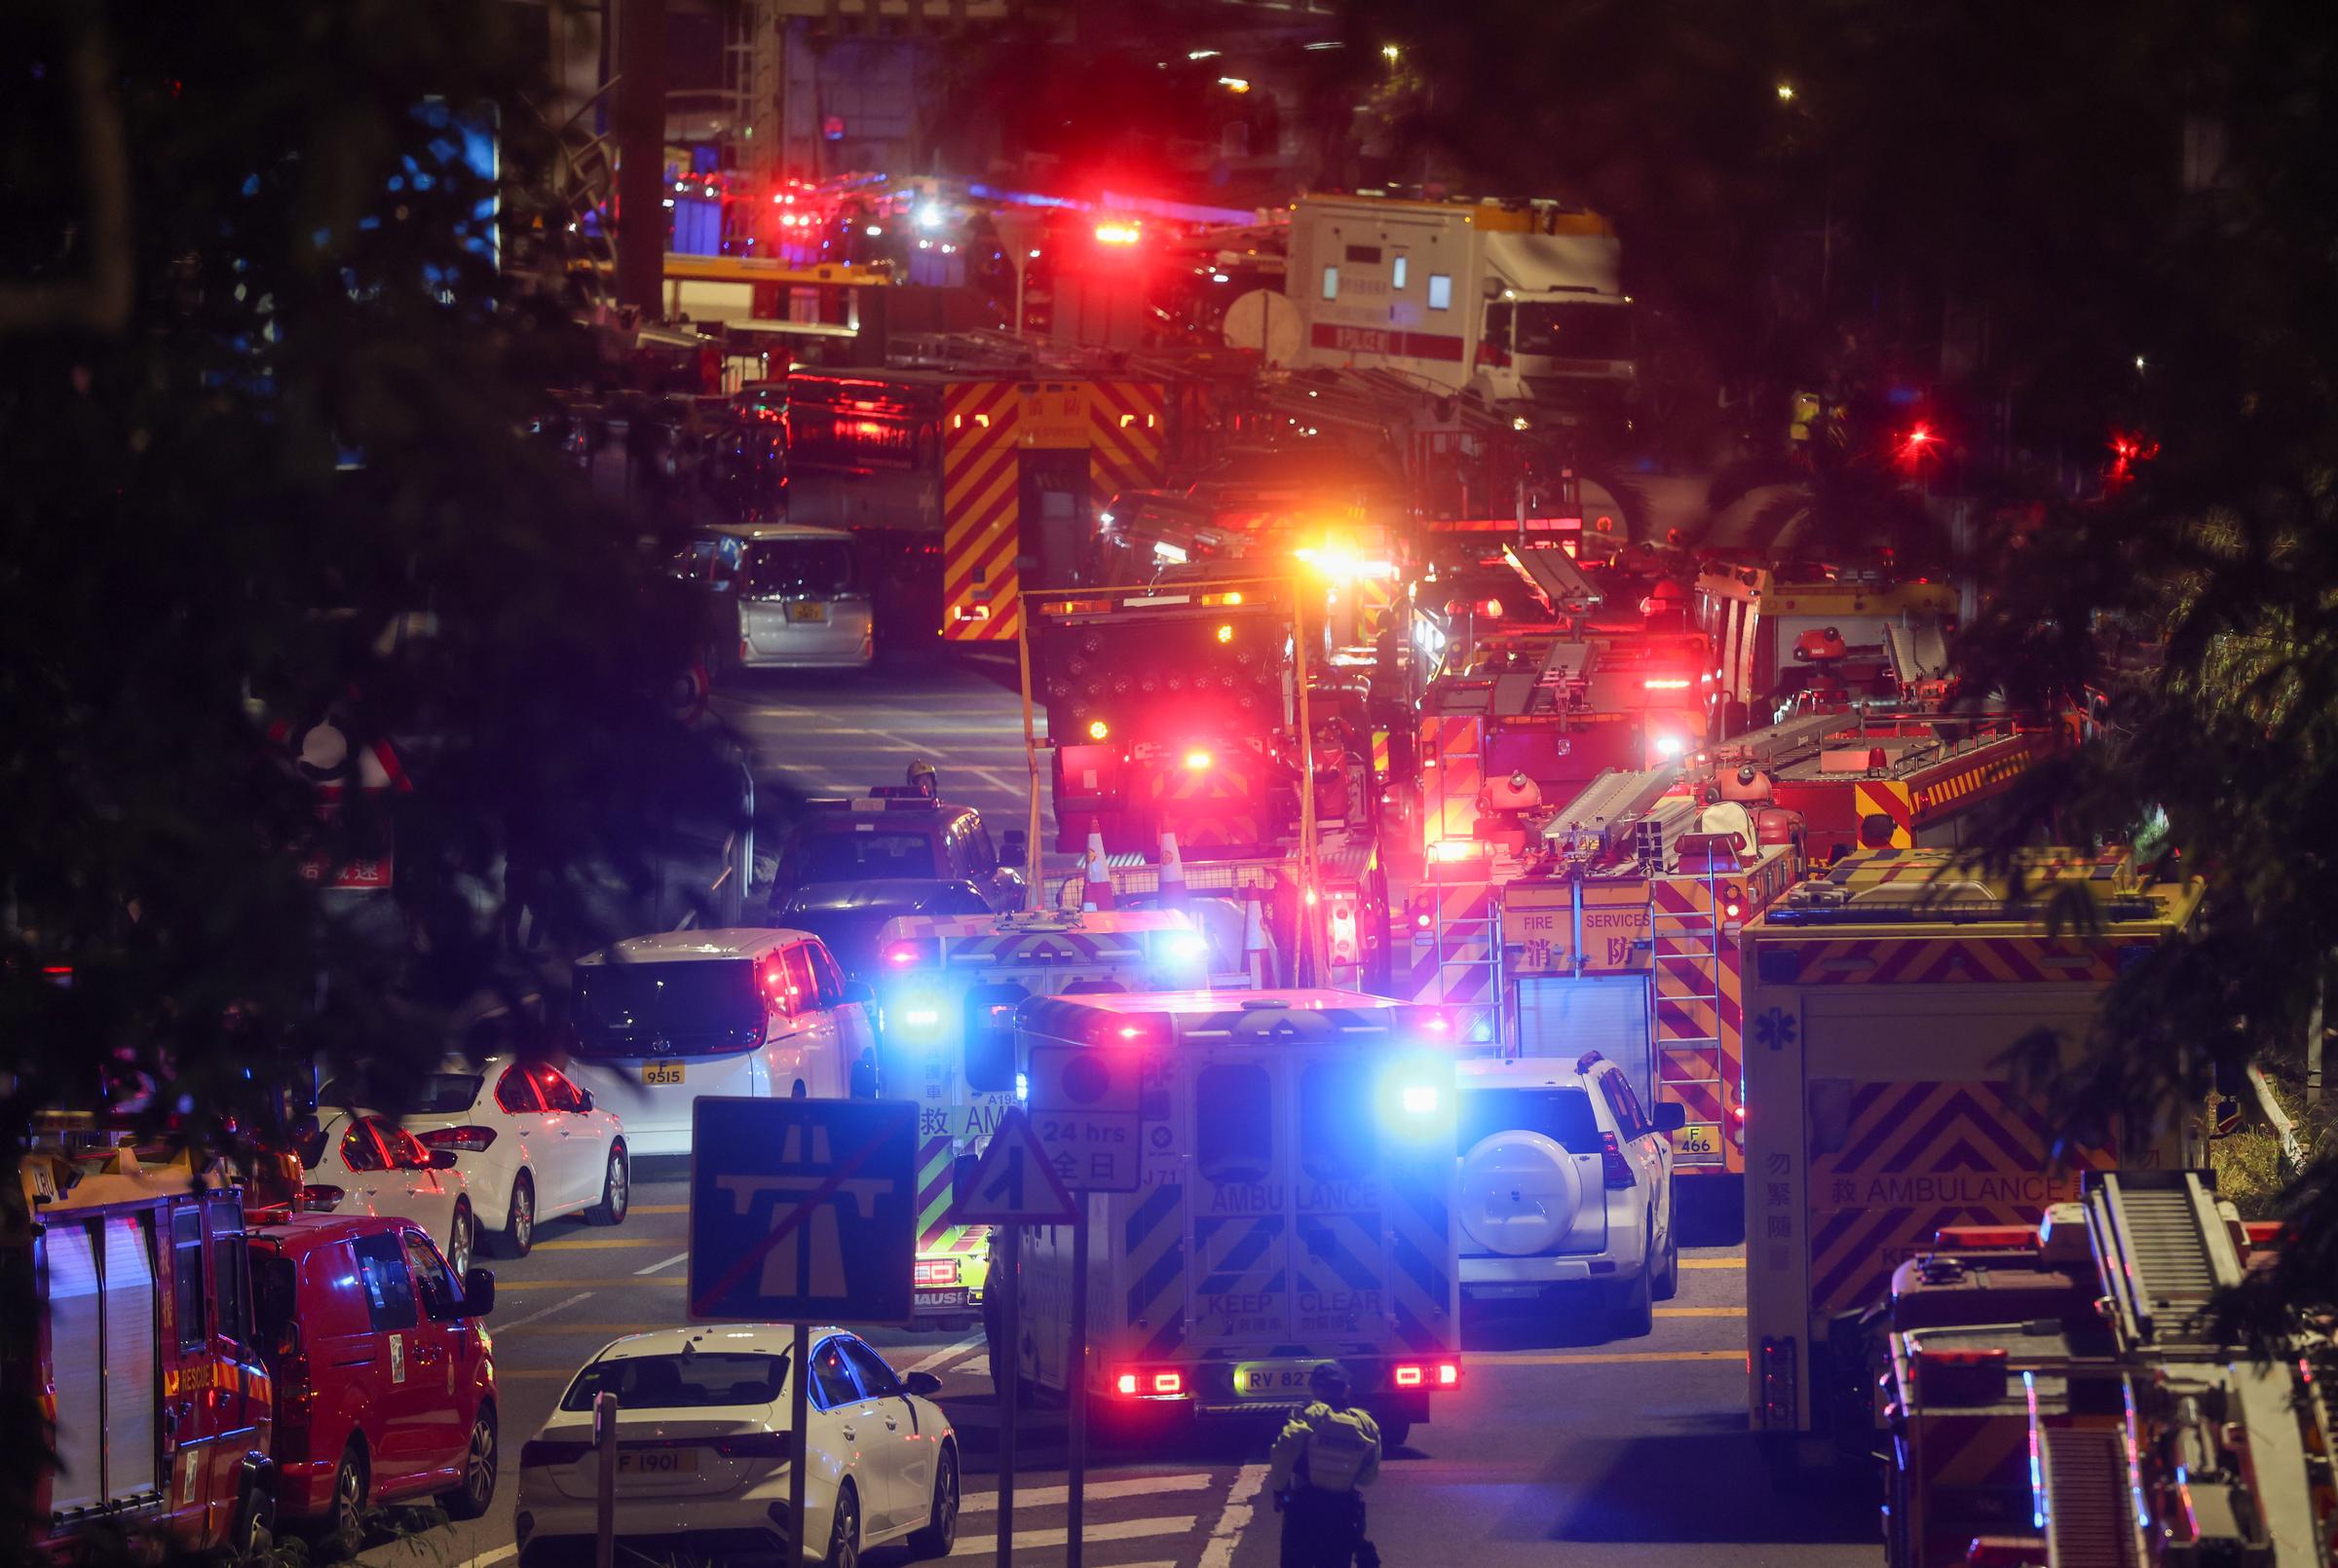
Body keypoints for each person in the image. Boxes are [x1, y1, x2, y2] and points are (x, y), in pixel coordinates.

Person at [1267, 1363, 1380, 1568]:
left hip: (1304, 1508)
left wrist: (1278, 1488)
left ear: (1316, 1389)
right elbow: (1368, 1476)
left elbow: (1284, 1449)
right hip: (1342, 1512)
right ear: (1347, 1389)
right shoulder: (1366, 1423)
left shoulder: (1309, 1414)